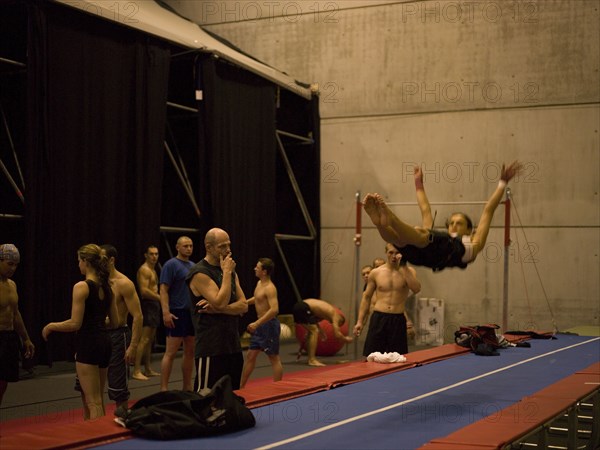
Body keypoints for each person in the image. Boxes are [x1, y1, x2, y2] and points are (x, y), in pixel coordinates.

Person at [363, 161, 523, 272]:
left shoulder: (474, 240)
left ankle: (390, 218)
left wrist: (502, 183)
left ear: (469, 229)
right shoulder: (436, 238)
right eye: (452, 222)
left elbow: (488, 210)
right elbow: (425, 209)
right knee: (398, 241)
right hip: (426, 258)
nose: (453, 225)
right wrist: (418, 183)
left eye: (459, 223)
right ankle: (379, 223)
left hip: (453, 251)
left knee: (421, 233)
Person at [42, 244, 118, 420]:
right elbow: (115, 322)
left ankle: (97, 440)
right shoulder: (108, 287)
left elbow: (75, 324)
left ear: (86, 262)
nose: (78, 265)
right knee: (98, 399)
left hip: (89, 342)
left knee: (92, 402)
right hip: (105, 343)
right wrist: (98, 321)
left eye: (79, 261)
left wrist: (51, 326)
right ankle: (102, 439)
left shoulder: (81, 287)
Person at [186, 228, 248, 391]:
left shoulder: (230, 271)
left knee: (230, 396)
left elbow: (243, 305)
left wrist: (218, 309)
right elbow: (221, 301)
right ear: (209, 247)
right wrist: (227, 272)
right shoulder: (200, 272)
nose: (228, 250)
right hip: (211, 347)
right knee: (206, 399)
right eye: (222, 246)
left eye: (229, 245)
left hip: (232, 345)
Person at [353, 243, 421, 357]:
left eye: (397, 253)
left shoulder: (409, 271)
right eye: (391, 252)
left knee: (398, 358)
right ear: (386, 253)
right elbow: (366, 297)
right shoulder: (376, 273)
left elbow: (416, 289)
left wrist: (403, 266)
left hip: (397, 319)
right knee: (373, 357)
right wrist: (360, 321)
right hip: (379, 318)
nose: (394, 256)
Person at [100, 244, 142, 412]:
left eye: (102, 259)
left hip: (118, 336)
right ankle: (93, 425)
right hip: (99, 335)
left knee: (119, 389)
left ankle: (123, 420)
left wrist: (133, 346)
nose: (99, 263)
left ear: (111, 260)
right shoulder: (95, 282)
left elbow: (138, 316)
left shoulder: (124, 283)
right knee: (91, 387)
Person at [240, 258, 283, 388]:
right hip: (260, 326)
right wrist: (244, 303)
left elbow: (274, 309)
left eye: (257, 267)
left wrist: (257, 323)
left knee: (273, 358)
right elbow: (258, 299)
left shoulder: (270, 288)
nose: (255, 268)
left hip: (268, 325)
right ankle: (241, 387)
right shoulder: (259, 284)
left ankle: (278, 388)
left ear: (264, 271)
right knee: (250, 356)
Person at [159, 236, 195, 391]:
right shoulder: (171, 265)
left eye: (191, 246)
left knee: (190, 352)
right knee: (171, 353)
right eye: (185, 246)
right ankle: (163, 388)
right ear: (177, 247)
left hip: (191, 313)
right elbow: (163, 290)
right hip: (176, 312)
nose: (189, 248)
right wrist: (166, 312)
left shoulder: (193, 266)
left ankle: (187, 386)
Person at [0, 244, 34, 406]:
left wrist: (26, 339)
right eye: (9, 264)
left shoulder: (12, 285)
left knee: (3, 382)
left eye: (16, 265)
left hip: (8, 337)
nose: (13, 268)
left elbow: (15, 314)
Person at [293, 298, 353, 367]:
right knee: (314, 331)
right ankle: (312, 360)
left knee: (312, 331)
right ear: (340, 320)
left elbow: (314, 322)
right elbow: (337, 334)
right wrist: (346, 339)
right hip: (303, 307)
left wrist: (322, 332)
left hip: (301, 306)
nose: (332, 323)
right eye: (339, 324)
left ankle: (311, 358)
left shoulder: (324, 314)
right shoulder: (335, 316)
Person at [132, 245, 161, 380]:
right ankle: (136, 370)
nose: (154, 257)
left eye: (156, 254)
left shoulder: (152, 270)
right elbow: (144, 291)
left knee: (149, 340)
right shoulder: (144, 270)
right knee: (143, 339)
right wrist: (161, 298)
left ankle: (148, 368)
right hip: (148, 305)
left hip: (154, 304)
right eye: (151, 254)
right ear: (146, 255)